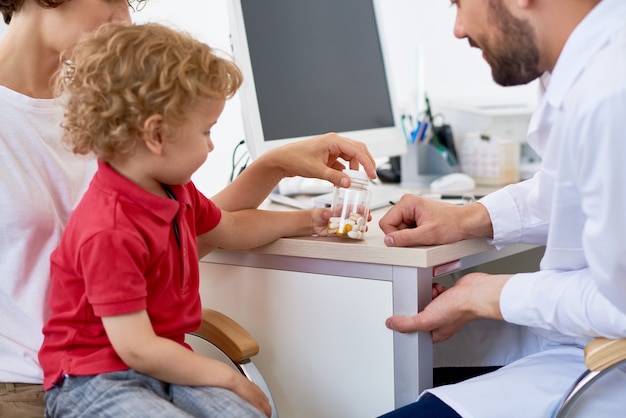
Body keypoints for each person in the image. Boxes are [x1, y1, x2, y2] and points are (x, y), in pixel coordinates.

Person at [0, 2, 376, 417]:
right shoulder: (114, 136)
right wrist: (227, 377)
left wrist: (279, 174)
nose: (124, 17)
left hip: (154, 361)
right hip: (44, 381)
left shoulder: (116, 104)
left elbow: (189, 233)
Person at [378, 0, 626, 417]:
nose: (457, 29)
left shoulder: (611, 92)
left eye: (458, 2)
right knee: (409, 362)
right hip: (586, 341)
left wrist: (490, 295)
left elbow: (621, 305)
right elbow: (570, 188)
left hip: (606, 361)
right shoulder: (588, 63)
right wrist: (469, 217)